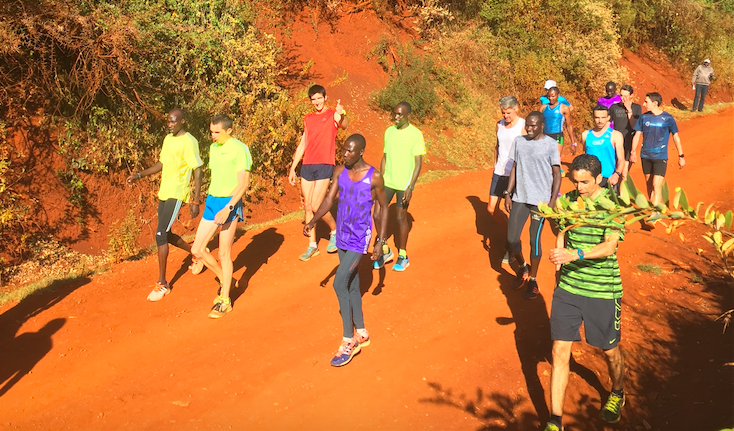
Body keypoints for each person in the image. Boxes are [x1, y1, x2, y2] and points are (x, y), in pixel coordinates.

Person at [545, 154, 626, 431]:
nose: (579, 187)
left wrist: (575, 254)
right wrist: (558, 259)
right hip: (568, 288)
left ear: (599, 179)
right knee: (559, 351)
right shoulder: (566, 201)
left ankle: (617, 391)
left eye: (584, 182)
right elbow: (561, 230)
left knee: (609, 350)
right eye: (575, 181)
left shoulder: (612, 205)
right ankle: (555, 420)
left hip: (602, 290)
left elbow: (609, 246)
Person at [304, 134, 388, 367]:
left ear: (361, 152)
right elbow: (329, 200)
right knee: (351, 284)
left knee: (339, 283)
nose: (345, 154)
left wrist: (380, 241)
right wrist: (313, 221)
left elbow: (383, 208)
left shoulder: (375, 177)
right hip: (342, 234)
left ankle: (348, 341)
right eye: (344, 150)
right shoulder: (340, 172)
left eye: (350, 151)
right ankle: (361, 331)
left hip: (360, 238)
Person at [126, 108, 203, 302]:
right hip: (164, 191)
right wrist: (138, 175)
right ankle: (197, 253)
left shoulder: (189, 141)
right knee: (165, 233)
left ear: (182, 122)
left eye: (173, 122)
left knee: (160, 233)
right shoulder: (168, 139)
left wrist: (195, 200)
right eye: (168, 121)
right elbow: (161, 164)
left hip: (177, 193)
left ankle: (163, 284)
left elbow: (198, 169)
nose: (169, 125)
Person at [191, 114, 252, 319]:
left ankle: (225, 300)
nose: (213, 135)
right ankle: (225, 279)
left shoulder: (240, 149)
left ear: (229, 131)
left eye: (217, 132)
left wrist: (229, 207)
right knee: (197, 249)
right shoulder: (213, 148)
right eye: (211, 131)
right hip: (212, 202)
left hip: (229, 203)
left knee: (224, 254)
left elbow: (243, 184)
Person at [504, 111, 561, 300]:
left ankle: (533, 280)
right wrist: (507, 193)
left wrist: (552, 202)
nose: (529, 128)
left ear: (542, 126)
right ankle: (523, 268)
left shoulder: (551, 145)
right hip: (520, 197)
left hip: (541, 202)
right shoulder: (520, 142)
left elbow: (557, 174)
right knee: (512, 240)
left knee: (533, 241)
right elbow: (514, 168)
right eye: (527, 125)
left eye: (533, 126)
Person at [289, 85, 349, 261]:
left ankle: (334, 230)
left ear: (325, 97)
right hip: (307, 165)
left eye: (319, 98)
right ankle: (312, 246)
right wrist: (293, 167)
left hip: (325, 164)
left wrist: (342, 113)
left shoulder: (332, 115)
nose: (316, 102)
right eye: (313, 99)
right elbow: (303, 144)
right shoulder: (308, 118)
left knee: (316, 205)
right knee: (307, 206)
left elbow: (344, 125)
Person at [375, 102, 425, 271]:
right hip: (388, 181)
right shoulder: (389, 132)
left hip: (403, 184)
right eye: (395, 114)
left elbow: (418, 164)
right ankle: (385, 249)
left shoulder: (415, 134)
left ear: (407, 115)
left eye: (400, 114)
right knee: (377, 214)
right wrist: (380, 179)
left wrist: (410, 187)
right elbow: (384, 157)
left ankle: (403, 255)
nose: (396, 117)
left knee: (400, 218)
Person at [630, 92, 685, 206]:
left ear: (655, 103)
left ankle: (655, 213)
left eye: (646, 102)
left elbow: (676, 137)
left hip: (660, 157)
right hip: (645, 156)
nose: (644, 104)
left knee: (656, 184)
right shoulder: (643, 118)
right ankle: (653, 206)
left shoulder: (668, 118)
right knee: (649, 184)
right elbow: (637, 135)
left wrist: (681, 156)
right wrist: (633, 152)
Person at [488, 96, 525, 263]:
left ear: (516, 109)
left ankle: (511, 244)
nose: (505, 116)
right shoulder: (499, 125)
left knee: (511, 209)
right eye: (503, 113)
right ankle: (511, 233)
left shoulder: (524, 126)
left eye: (508, 113)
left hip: (515, 174)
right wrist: (495, 164)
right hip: (499, 172)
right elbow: (497, 146)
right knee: (491, 209)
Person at [581, 105, 625, 190]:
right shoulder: (585, 135)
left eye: (603, 117)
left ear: (608, 117)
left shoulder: (615, 135)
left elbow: (621, 159)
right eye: (597, 117)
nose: (600, 121)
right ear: (593, 117)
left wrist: (616, 175)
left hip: (608, 179)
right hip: (590, 179)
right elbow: (584, 156)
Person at [609, 84, 642, 179]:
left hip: (629, 143)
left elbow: (635, 126)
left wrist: (629, 109)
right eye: (621, 95)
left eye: (626, 96)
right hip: (616, 143)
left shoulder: (637, 108)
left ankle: (623, 193)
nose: (623, 98)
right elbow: (607, 123)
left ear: (631, 96)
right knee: (615, 170)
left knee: (624, 172)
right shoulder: (614, 108)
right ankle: (617, 192)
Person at [541, 87, 578, 160]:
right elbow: (539, 123)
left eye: (553, 96)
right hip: (545, 136)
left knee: (556, 159)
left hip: (557, 136)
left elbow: (569, 126)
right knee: (545, 159)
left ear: (558, 95)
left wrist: (573, 143)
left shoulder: (564, 108)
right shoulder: (543, 107)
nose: (550, 98)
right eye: (549, 96)